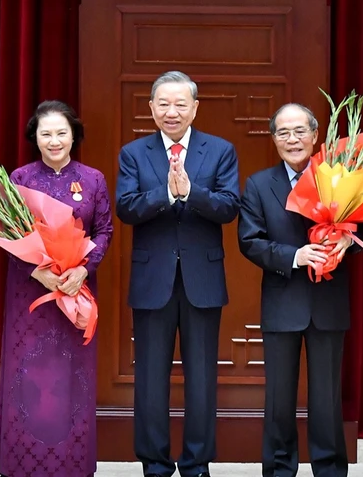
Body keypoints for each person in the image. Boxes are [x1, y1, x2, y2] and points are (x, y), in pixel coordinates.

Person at [237, 103, 363, 477]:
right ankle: (280, 468)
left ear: (315, 136)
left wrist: (350, 238)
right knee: (279, 398)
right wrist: (295, 255)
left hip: (328, 302)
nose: (292, 139)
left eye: (300, 131)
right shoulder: (259, 184)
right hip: (283, 301)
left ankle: (330, 468)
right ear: (274, 139)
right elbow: (249, 241)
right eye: (283, 132)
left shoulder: (340, 176)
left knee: (326, 398)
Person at [115, 70, 240, 477]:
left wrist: (191, 192)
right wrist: (167, 194)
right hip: (153, 280)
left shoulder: (220, 151)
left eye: (180, 104)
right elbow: (126, 208)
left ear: (195, 108)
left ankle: (197, 462)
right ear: (151, 109)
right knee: (150, 376)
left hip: (202, 280)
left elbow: (228, 207)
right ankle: (154, 462)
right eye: (163, 104)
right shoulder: (134, 153)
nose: (172, 112)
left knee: (202, 376)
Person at [0, 100, 114, 477]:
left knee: (71, 373)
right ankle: (24, 461)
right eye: (46, 134)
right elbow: (4, 233)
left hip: (76, 290)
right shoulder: (20, 178)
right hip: (31, 293)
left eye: (62, 132)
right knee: (30, 371)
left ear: (74, 135)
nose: (54, 140)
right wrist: (38, 271)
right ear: (36, 138)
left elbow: (104, 231)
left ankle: (71, 463)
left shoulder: (93, 178)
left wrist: (84, 269)